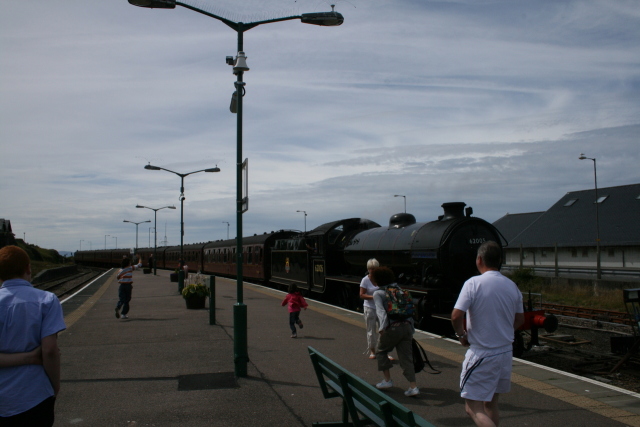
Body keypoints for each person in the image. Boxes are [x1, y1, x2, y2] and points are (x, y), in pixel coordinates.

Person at [451, 241, 525, 427]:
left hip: (482, 353)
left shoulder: (473, 283)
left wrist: (461, 335)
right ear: (499, 260)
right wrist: (504, 332)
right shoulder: (512, 286)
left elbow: (456, 316)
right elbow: (520, 319)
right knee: (491, 403)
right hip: (505, 353)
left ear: (479, 259)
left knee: (472, 408)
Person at [0, 245, 66, 425]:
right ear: (28, 268)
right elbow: (50, 350)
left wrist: (25, 358)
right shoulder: (46, 300)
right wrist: (55, 387)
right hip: (35, 396)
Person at [371, 267, 419, 397]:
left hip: (392, 328)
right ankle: (413, 387)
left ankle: (387, 380)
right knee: (406, 358)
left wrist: (382, 328)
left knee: (381, 351)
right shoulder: (400, 290)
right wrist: (411, 329)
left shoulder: (378, 293)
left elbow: (381, 312)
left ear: (377, 280)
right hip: (407, 327)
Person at [359, 258, 380, 359]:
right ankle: (372, 351)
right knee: (371, 331)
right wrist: (374, 297)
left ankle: (384, 351)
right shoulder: (365, 280)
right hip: (370, 308)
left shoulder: (381, 279)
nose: (373, 270)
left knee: (384, 330)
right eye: (371, 268)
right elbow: (361, 295)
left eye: (374, 268)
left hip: (381, 308)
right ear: (368, 269)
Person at [115, 255, 142, 319]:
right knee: (127, 300)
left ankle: (118, 307)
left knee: (121, 299)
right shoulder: (130, 268)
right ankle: (123, 314)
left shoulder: (120, 270)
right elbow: (139, 265)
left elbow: (117, 277)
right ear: (128, 263)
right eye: (130, 262)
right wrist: (140, 258)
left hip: (121, 286)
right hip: (128, 286)